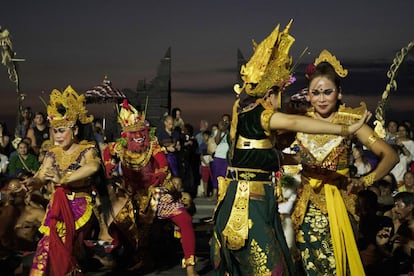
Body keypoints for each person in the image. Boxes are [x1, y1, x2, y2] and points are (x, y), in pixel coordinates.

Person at [210, 22, 371, 276]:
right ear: (272, 92)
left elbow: (268, 155)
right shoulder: (257, 114)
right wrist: (344, 130)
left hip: (262, 202)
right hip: (246, 203)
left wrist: (301, 159)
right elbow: (294, 121)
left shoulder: (250, 115)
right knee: (272, 271)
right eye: (280, 93)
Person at [290, 49, 399, 276]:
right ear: (308, 95)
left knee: (338, 265)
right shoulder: (299, 121)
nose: (321, 98)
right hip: (306, 206)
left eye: (327, 92)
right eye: (315, 93)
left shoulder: (351, 121)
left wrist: (364, 180)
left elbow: (390, 155)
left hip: (340, 203)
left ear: (338, 93)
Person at [103, 99, 198, 276]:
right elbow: (106, 151)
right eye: (134, 133)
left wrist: (161, 173)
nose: (138, 136)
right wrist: (109, 165)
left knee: (184, 219)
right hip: (133, 197)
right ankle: (138, 257)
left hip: (156, 194)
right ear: (126, 135)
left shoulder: (153, 145)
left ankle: (191, 267)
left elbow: (163, 163)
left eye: (141, 132)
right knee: (118, 224)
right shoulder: (120, 147)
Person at [27, 85, 103, 275]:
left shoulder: (87, 149)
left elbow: (93, 167)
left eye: (62, 131)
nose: (57, 136)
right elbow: (41, 175)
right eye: (55, 131)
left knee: (62, 246)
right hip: (56, 206)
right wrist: (32, 183)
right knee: (47, 247)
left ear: (75, 129)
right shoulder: (52, 153)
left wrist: (64, 178)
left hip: (79, 204)